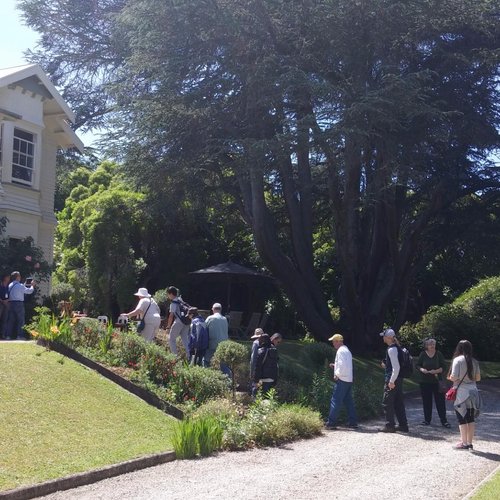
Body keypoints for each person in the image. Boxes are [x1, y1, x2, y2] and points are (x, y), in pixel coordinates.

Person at [448, 340, 481, 450]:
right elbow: (478, 378)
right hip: (473, 392)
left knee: (461, 418)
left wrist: (453, 378)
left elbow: (453, 377)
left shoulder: (457, 360)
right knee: (471, 418)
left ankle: (464, 442)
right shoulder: (475, 361)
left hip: (462, 393)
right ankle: (470, 443)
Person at [325, 334, 358, 430]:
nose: (333, 343)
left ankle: (331, 423)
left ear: (338, 341)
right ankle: (353, 422)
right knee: (349, 402)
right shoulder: (346, 350)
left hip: (342, 379)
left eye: (334, 341)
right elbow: (345, 365)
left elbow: (342, 366)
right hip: (348, 379)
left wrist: (337, 374)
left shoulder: (340, 351)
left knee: (335, 400)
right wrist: (336, 366)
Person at [379, 328, 409, 433]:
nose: (383, 338)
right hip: (399, 379)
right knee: (398, 403)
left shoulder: (391, 349)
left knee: (387, 403)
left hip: (393, 379)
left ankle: (390, 425)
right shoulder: (397, 348)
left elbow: (396, 367)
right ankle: (403, 425)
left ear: (388, 338)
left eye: (384, 336)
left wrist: (391, 381)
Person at [416, 338, 450, 427]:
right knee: (426, 401)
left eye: (433, 344)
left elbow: (444, 366)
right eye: (430, 344)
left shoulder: (438, 354)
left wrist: (436, 371)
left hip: (437, 381)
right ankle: (427, 420)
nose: (432, 346)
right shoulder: (423, 354)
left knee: (440, 402)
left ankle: (444, 420)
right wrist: (422, 369)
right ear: (426, 346)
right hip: (425, 381)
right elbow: (417, 365)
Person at [5, 271, 35, 340]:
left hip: (11, 303)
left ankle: (8, 336)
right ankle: (19, 336)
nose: (20, 277)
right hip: (19, 304)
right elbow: (29, 291)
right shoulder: (20, 285)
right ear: (17, 277)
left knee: (10, 320)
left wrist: (23, 285)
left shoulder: (10, 285)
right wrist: (32, 286)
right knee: (20, 320)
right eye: (19, 276)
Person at [166, 286, 190, 357]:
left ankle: (174, 357)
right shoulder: (180, 299)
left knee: (171, 339)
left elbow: (171, 315)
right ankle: (189, 356)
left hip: (179, 322)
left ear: (171, 294)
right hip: (186, 322)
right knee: (185, 339)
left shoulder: (173, 303)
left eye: (168, 294)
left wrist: (168, 327)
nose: (167, 296)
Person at [204, 302, 229, 367]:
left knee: (206, 361)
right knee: (223, 363)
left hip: (212, 343)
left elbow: (204, 329)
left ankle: (207, 374)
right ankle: (227, 376)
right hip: (223, 344)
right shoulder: (225, 319)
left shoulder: (210, 318)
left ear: (213, 309)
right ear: (221, 309)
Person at [250, 328, 264, 396]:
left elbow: (253, 358)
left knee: (254, 384)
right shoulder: (266, 343)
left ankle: (253, 400)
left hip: (256, 367)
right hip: (264, 367)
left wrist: (252, 370)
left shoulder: (256, 343)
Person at [0, 274, 10, 339]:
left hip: (6, 304)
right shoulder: (0, 285)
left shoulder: (8, 287)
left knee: (5, 320)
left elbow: (11, 295)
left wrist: (7, 300)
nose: (9, 278)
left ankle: (3, 334)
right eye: (8, 277)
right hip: (0, 303)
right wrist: (2, 301)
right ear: (5, 278)